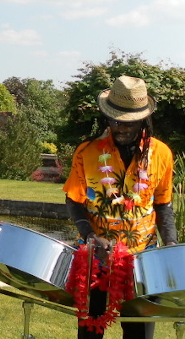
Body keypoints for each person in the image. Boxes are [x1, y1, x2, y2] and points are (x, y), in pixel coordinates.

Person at [63, 75, 177, 339]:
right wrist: (90, 236)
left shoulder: (161, 154)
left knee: (139, 333)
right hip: (97, 258)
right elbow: (74, 200)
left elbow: (164, 204)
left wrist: (170, 245)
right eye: (115, 121)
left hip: (143, 260)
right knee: (90, 331)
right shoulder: (86, 152)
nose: (122, 128)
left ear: (143, 120)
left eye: (129, 123)